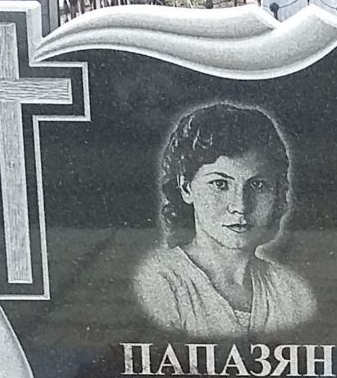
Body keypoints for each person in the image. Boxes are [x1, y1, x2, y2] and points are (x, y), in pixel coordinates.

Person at [134, 103, 316, 338]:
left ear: (277, 190)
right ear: (186, 187)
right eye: (220, 184)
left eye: (257, 185)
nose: (240, 206)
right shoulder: (160, 281)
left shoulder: (289, 290)